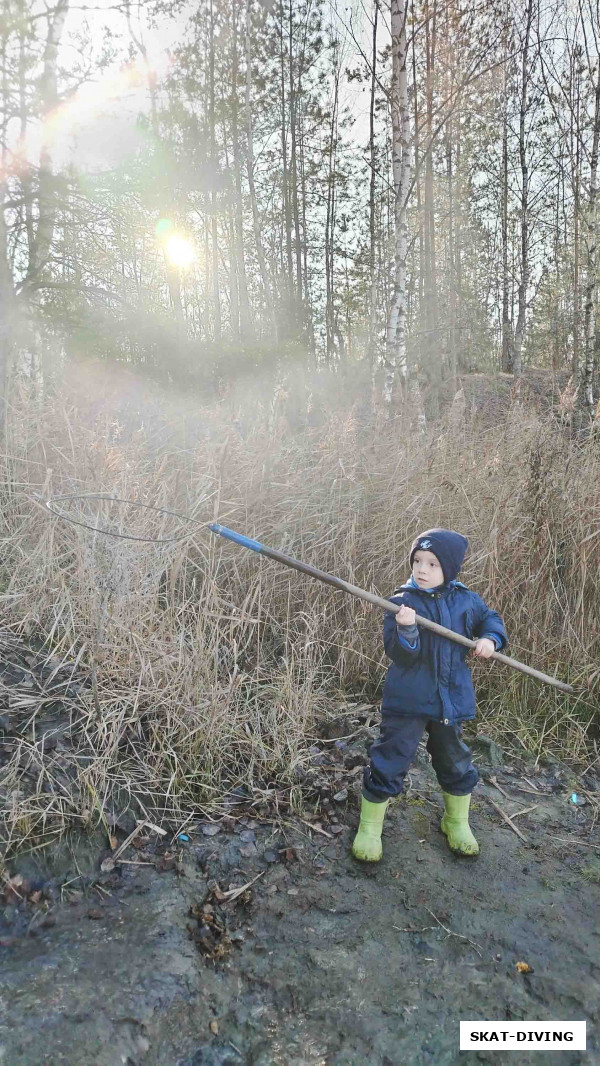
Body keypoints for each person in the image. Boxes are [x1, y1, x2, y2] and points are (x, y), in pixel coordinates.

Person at [352, 528, 507, 862]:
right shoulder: (401, 602)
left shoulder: (467, 599)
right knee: (390, 758)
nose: (422, 569)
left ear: (448, 569)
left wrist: (490, 639)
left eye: (432, 564)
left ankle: (456, 822)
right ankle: (369, 828)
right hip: (408, 701)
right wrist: (407, 628)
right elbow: (400, 654)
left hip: (450, 699)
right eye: (417, 561)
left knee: (454, 760)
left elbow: (490, 620)